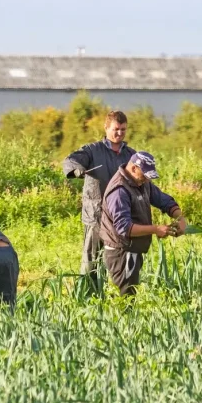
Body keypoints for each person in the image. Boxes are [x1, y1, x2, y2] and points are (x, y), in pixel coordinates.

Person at [62, 110, 136, 284]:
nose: (119, 133)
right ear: (106, 127)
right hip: (96, 215)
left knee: (118, 259)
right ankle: (87, 295)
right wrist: (77, 170)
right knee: (91, 260)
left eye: (123, 130)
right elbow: (70, 160)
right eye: (116, 129)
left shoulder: (131, 155)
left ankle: (117, 294)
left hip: (121, 217)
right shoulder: (92, 150)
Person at [100, 151, 186, 296]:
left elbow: (163, 200)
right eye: (144, 175)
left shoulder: (141, 182)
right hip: (121, 251)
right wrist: (155, 229)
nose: (146, 179)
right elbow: (124, 227)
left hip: (133, 248)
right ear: (133, 168)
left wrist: (180, 218)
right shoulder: (119, 191)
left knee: (130, 292)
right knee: (125, 297)